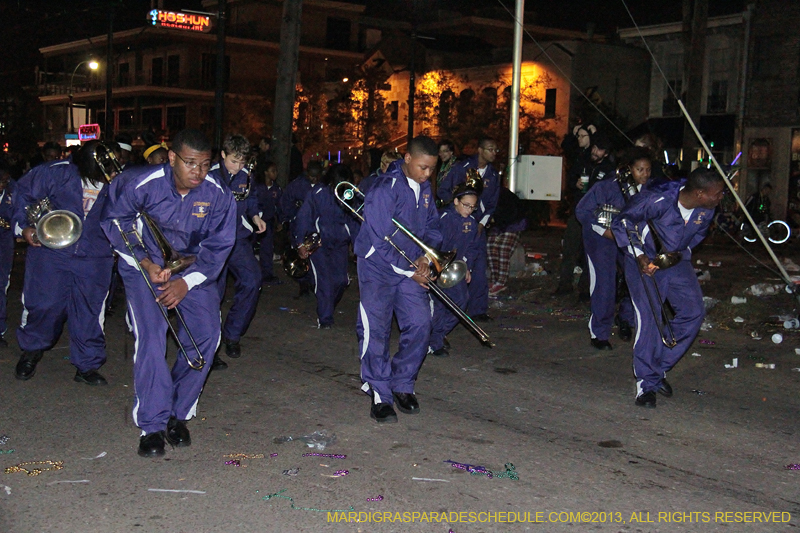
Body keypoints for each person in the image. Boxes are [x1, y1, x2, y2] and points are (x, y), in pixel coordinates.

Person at [101, 129, 236, 457]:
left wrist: (184, 283)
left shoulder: (219, 195)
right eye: (190, 163)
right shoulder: (141, 183)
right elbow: (117, 225)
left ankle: (178, 412)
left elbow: (218, 248)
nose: (198, 172)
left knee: (207, 335)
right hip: (142, 267)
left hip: (189, 272)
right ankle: (152, 424)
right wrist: (146, 263)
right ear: (172, 158)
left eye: (205, 165)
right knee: (151, 336)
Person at [611, 168, 725, 408]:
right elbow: (623, 220)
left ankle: (658, 367)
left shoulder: (707, 209)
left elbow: (696, 236)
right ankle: (646, 384)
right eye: (718, 193)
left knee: (694, 312)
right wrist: (640, 255)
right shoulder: (658, 199)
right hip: (644, 262)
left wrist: (680, 255)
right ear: (700, 193)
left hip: (675, 261)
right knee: (651, 319)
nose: (721, 197)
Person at [12, 140, 117, 384]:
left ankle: (87, 364)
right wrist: (24, 228)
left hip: (94, 255)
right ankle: (32, 349)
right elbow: (21, 193)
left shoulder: (117, 181)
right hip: (52, 250)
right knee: (44, 303)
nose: (110, 172)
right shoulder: (55, 171)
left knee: (90, 310)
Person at [355, 135, 443, 423]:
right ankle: (380, 394)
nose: (427, 174)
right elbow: (380, 242)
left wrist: (426, 259)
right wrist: (410, 270)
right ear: (407, 159)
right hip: (377, 269)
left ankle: (402, 384)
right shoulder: (385, 188)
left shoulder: (426, 188)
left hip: (409, 267)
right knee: (376, 330)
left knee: (420, 323)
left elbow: (432, 226)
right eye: (423, 168)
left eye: (431, 169)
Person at [576, 147, 652, 350]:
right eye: (639, 169)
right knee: (605, 282)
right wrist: (604, 231)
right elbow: (582, 211)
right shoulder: (607, 186)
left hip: (627, 238)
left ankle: (626, 319)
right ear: (628, 169)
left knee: (635, 277)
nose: (644, 174)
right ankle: (599, 333)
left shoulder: (647, 190)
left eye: (647, 170)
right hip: (601, 237)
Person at [208, 135, 266, 368]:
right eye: (234, 161)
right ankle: (209, 348)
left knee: (253, 280)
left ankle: (232, 334)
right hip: (213, 242)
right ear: (223, 155)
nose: (238, 167)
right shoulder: (209, 175)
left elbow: (251, 198)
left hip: (237, 239)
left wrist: (255, 217)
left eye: (242, 162)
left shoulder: (245, 174)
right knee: (213, 294)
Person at [438, 137, 501, 321]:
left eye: (496, 150)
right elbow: (444, 190)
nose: (494, 153)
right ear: (480, 150)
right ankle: (446, 308)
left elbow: (492, 204)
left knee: (478, 265)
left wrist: (482, 222)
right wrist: (457, 208)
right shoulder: (461, 167)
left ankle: (477, 309)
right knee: (451, 261)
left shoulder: (493, 174)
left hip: (478, 224)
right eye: (490, 149)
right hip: (457, 221)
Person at [293, 164, 358, 328]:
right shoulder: (318, 193)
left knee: (341, 281)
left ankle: (326, 304)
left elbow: (354, 221)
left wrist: (357, 245)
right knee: (325, 282)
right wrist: (300, 242)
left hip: (340, 245)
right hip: (319, 244)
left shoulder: (349, 195)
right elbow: (304, 217)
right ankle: (325, 318)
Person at [554, 130, 615, 299]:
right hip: (578, 211)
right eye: (595, 147)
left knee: (591, 253)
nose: (595, 152)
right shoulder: (583, 161)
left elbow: (610, 193)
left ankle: (585, 289)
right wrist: (575, 183)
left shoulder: (609, 170)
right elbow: (570, 179)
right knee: (569, 249)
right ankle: (564, 285)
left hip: (596, 216)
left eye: (600, 150)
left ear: (606, 153)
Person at [429, 184, 479, 357]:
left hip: (456, 268)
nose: (470, 210)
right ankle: (435, 341)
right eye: (466, 205)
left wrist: (467, 267)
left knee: (461, 301)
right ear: (456, 201)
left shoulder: (471, 222)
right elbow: (435, 244)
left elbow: (472, 248)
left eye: (473, 207)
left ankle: (437, 334)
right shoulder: (444, 218)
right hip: (439, 267)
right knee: (440, 305)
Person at [280, 161, 323, 297]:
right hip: (299, 225)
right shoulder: (296, 185)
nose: (314, 179)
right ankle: (303, 283)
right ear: (307, 173)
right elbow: (285, 202)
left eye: (317, 177)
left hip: (316, 227)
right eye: (311, 176)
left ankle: (313, 282)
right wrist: (291, 217)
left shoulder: (323, 187)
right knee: (300, 254)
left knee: (315, 255)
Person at [487, 186, 527, 297]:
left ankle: (501, 282)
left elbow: (511, 213)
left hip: (514, 223)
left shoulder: (502, 196)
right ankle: (495, 279)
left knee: (503, 248)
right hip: (500, 224)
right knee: (490, 246)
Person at [253, 159, 282, 284]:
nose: (275, 173)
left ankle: (267, 275)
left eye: (276, 171)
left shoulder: (277, 189)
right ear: (265, 172)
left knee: (267, 249)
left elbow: (279, 206)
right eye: (272, 171)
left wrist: (280, 221)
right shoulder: (257, 187)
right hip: (254, 222)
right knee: (249, 248)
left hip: (269, 223)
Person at [0, 162, 16, 346]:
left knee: (1, 284)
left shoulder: (14, 192)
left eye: (4, 182)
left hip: (4, 242)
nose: (1, 186)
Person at [434, 140, 456, 204]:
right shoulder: (441, 165)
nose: (441, 154)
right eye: (440, 152)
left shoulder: (456, 166)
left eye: (444, 151)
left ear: (451, 152)